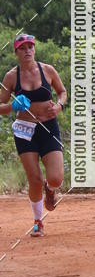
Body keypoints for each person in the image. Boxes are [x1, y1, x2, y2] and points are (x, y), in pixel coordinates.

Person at [0, 34, 67, 236]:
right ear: (16, 52)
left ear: (34, 49)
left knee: (55, 178)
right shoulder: (11, 76)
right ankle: (38, 221)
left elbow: (62, 92)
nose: (28, 50)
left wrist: (58, 106)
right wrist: (12, 106)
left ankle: (51, 189)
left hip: (48, 127)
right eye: (23, 48)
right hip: (24, 130)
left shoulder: (47, 70)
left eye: (31, 47)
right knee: (34, 178)